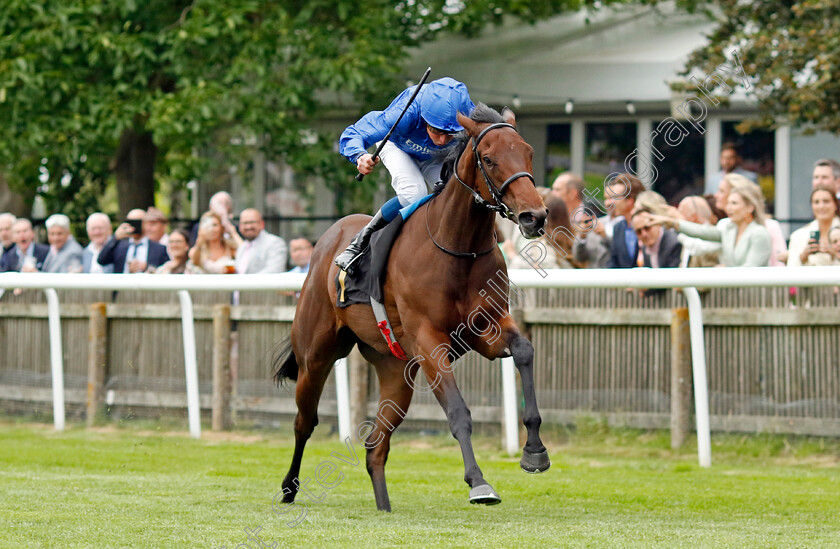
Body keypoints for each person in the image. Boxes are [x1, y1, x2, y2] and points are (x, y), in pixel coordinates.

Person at [335, 77, 476, 272]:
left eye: (450, 133)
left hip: (435, 157)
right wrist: (359, 156)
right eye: (436, 131)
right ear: (424, 117)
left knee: (458, 196)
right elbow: (354, 133)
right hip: (397, 146)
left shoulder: (470, 117)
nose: (443, 140)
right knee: (414, 193)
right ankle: (361, 242)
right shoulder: (404, 113)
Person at [650, 174, 771, 267]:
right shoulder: (728, 228)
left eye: (734, 203)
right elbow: (702, 232)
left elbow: (751, 272)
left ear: (750, 207)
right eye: (728, 203)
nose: (729, 207)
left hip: (757, 296)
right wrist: (673, 223)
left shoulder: (759, 233)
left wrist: (726, 271)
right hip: (734, 294)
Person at [712, 173, 786, 265]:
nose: (716, 195)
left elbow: (778, 263)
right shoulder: (726, 225)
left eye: (722, 191)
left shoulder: (767, 227)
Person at [98, 208, 169, 273]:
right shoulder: (120, 246)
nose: (134, 226)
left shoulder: (159, 248)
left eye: (137, 222)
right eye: (131, 222)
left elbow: (166, 269)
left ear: (145, 223)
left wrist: (147, 267)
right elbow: (101, 260)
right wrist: (115, 237)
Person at [786, 185, 840, 267]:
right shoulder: (798, 236)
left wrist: (835, 255)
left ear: (835, 205)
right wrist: (803, 257)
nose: (821, 206)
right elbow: (790, 271)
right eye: (816, 202)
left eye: (826, 201)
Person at [607, 174, 646, 268]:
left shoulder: (648, 227)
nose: (611, 202)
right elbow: (613, 263)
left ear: (630, 200)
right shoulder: (618, 228)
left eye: (615, 197)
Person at [235, 208, 287, 274]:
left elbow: (275, 270)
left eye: (252, 222)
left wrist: (247, 282)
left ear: (262, 224)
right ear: (240, 226)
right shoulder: (242, 247)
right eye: (245, 223)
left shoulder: (275, 243)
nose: (248, 226)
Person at [675, 196, 721, 268]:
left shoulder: (711, 238)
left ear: (693, 216)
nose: (677, 218)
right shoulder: (687, 238)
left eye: (680, 213)